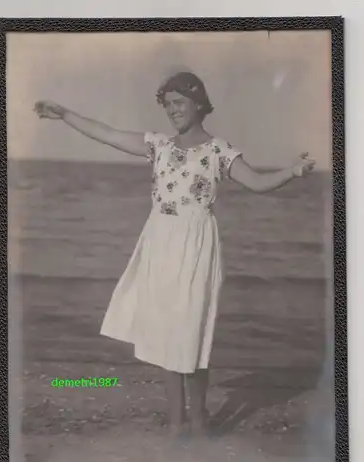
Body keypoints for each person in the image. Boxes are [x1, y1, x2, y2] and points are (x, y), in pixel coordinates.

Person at [34, 71, 315, 439]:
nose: (173, 111)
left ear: (199, 103)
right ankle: (176, 422)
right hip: (159, 242)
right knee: (168, 335)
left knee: (192, 335)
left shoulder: (219, 151)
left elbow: (258, 183)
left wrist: (292, 171)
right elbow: (109, 134)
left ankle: (197, 419)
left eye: (179, 103)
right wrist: (66, 114)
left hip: (197, 246)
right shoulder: (159, 145)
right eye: (168, 105)